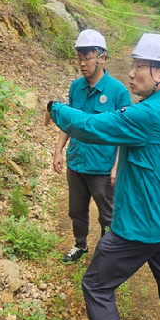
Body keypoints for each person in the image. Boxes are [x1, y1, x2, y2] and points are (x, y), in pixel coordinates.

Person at [47, 33, 160, 320]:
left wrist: (55, 109)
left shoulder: (147, 114)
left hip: (138, 228)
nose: (131, 73)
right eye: (133, 65)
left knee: (96, 285)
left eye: (140, 66)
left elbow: (91, 127)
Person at [53, 29, 131, 263]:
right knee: (76, 210)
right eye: (80, 57)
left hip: (103, 167)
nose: (82, 62)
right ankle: (80, 245)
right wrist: (58, 150)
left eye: (88, 57)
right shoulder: (76, 87)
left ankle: (108, 254)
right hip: (76, 162)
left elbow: (126, 134)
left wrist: (117, 166)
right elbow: (69, 121)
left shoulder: (118, 92)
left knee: (108, 214)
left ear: (102, 58)